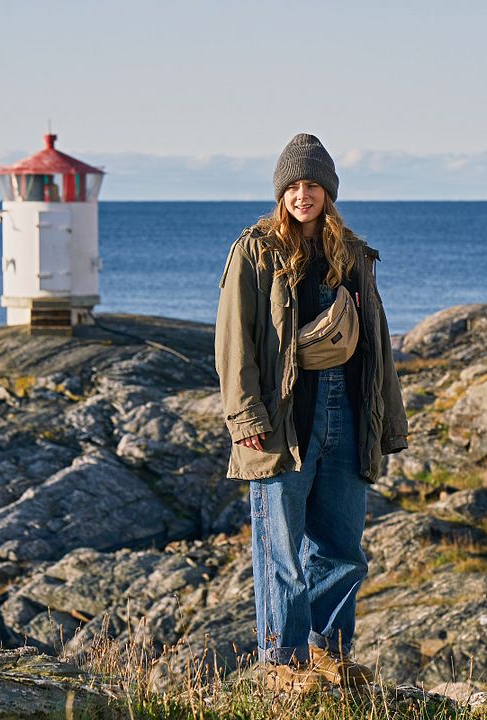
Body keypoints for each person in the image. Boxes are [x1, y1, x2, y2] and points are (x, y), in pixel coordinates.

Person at [215, 134, 408, 693]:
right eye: (293, 186)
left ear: (328, 191)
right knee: (282, 549)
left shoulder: (353, 253)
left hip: (347, 415)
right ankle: (283, 661)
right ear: (282, 194)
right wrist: (245, 419)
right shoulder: (254, 250)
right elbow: (235, 343)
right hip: (282, 421)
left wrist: (388, 423)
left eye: (313, 185)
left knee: (343, 547)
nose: (303, 195)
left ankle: (329, 653)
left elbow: (378, 343)